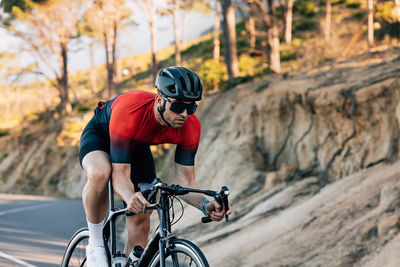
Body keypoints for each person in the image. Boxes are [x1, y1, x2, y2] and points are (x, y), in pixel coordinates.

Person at [79, 66, 232, 267]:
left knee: (142, 217)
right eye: (178, 107)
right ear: (159, 100)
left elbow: (185, 181)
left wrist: (205, 205)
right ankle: (96, 244)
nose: (185, 114)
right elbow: (120, 174)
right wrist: (129, 197)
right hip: (101, 134)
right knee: (101, 173)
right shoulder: (130, 111)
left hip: (135, 144)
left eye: (192, 107)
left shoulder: (190, 127)